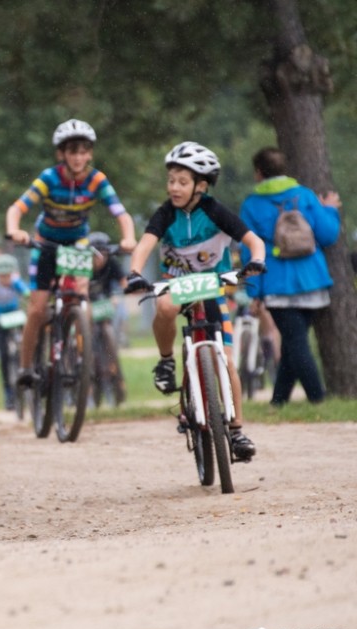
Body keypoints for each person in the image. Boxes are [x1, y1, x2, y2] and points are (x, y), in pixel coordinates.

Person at [124, 141, 266, 461]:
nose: (174, 187)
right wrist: (134, 272)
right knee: (164, 306)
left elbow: (253, 240)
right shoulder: (165, 213)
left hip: (212, 286)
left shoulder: (215, 211)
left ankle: (236, 431)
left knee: (226, 360)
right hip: (177, 284)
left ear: (200, 186)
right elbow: (145, 244)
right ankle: (166, 361)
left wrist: (257, 260)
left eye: (182, 182)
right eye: (171, 180)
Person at [5, 119, 137, 388]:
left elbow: (121, 214)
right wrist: (14, 230)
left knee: (80, 296)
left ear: (90, 154)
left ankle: (78, 354)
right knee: (37, 309)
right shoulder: (49, 178)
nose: (78, 157)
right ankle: (26, 366)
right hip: (46, 244)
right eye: (72, 151)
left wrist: (129, 237)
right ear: (61, 154)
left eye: (83, 151)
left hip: (77, 243)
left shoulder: (97, 180)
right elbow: (17, 208)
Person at [238, 146, 341, 406]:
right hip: (312, 279)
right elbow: (328, 234)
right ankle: (279, 401)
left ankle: (318, 399)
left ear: (258, 172)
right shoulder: (304, 195)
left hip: (277, 283)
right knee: (295, 343)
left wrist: (254, 291)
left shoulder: (251, 205)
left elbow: (250, 251)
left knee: (295, 344)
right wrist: (329, 209)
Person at [0, 253, 29, 410]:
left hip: (14, 316)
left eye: (8, 275)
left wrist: (28, 295)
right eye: (2, 276)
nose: (5, 279)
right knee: (3, 355)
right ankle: (8, 393)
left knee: (23, 345)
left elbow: (25, 291)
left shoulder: (15, 280)